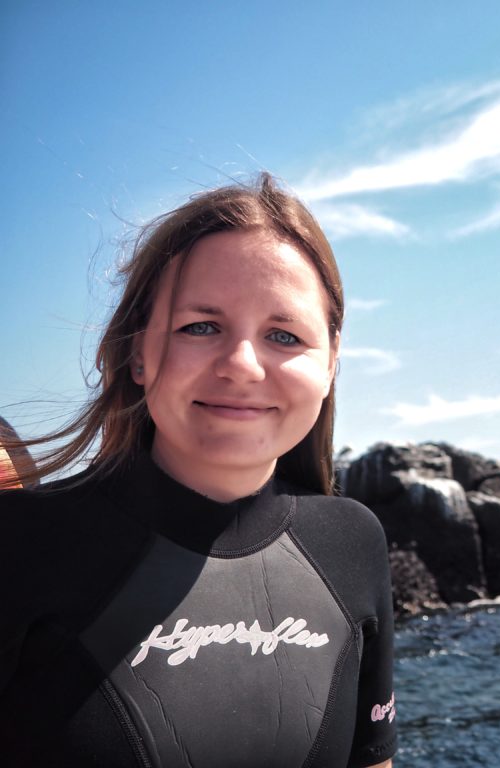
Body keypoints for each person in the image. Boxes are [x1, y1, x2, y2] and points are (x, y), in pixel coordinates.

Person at [0, 173, 397, 767]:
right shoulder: (20, 542)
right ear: (136, 351)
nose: (242, 365)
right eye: (200, 327)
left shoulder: (351, 543)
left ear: (332, 363)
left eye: (283, 335)